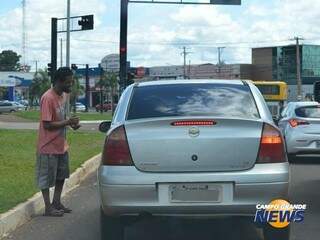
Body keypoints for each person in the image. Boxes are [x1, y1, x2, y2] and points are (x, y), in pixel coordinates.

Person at [36, 67, 80, 217]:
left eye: (71, 82)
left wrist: (72, 124)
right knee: (46, 179)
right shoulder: (48, 98)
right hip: (48, 147)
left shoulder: (63, 96)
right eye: (68, 82)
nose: (71, 85)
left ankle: (56, 202)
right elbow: (47, 124)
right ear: (59, 82)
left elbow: (61, 119)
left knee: (61, 175)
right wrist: (67, 122)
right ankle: (48, 208)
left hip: (61, 145)